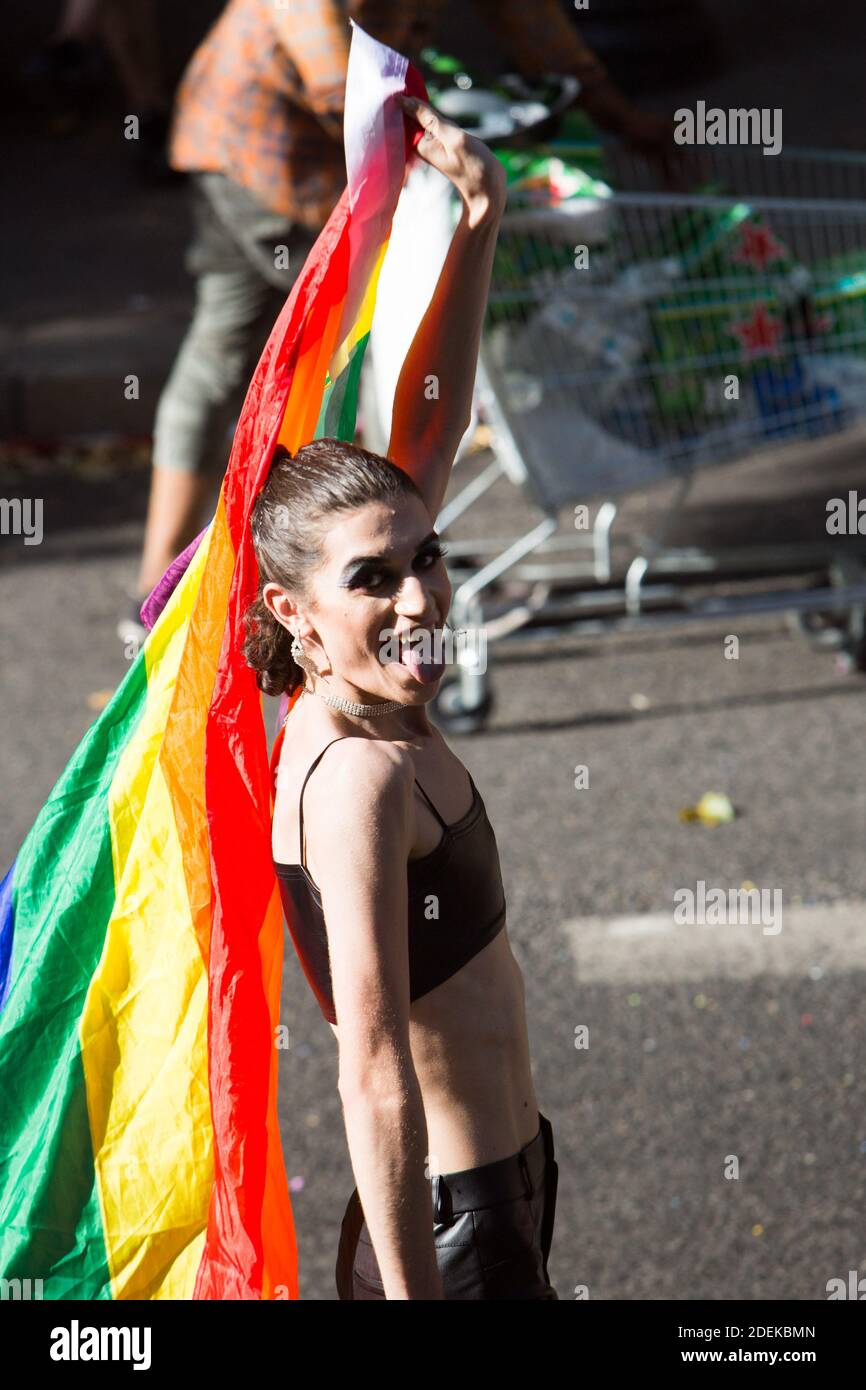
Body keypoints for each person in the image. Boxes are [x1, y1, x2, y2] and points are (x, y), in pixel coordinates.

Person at [244, 95, 558, 1300]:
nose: (419, 597)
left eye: (422, 557)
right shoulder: (356, 777)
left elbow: (430, 425)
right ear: (294, 617)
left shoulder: (371, 688)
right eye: (371, 580)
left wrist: (478, 219)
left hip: (506, 1185)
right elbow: (370, 1072)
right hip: (450, 1235)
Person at [121, 0, 677, 648]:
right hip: (258, 148)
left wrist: (621, 118)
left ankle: (182, 595)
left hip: (325, 152)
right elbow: (337, 80)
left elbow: (533, 26)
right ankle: (379, 564)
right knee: (379, 356)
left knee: (242, 355)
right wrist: (452, 171)